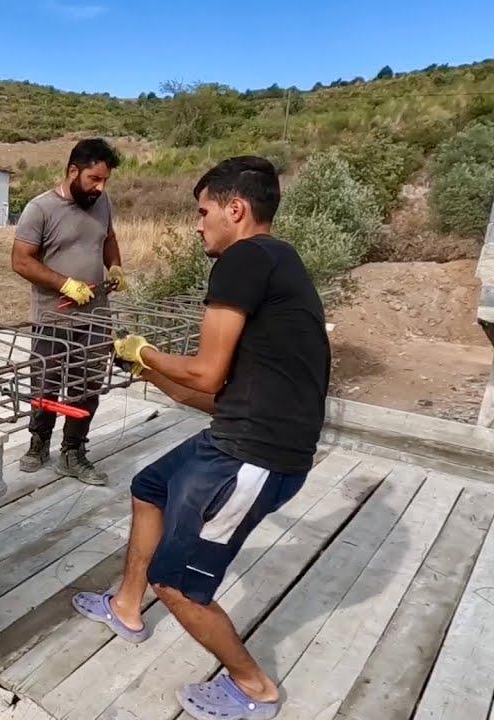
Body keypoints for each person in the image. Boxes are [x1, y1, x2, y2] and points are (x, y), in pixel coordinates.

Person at [72, 156, 330, 720]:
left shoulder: (241, 259)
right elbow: (208, 396)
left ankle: (253, 687)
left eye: (203, 211)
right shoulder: (279, 260)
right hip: (242, 432)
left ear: (235, 210)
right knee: (149, 486)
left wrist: (147, 351)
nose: (198, 224)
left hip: (255, 456)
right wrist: (148, 371)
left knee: (180, 585)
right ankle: (126, 606)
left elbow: (208, 374)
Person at [11, 137, 127, 485]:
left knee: (87, 385)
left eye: (104, 180)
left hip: (95, 317)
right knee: (45, 383)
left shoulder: (102, 202)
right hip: (52, 318)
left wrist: (116, 266)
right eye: (94, 178)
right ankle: (38, 441)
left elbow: (108, 238)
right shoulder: (40, 209)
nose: (99, 187)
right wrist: (63, 284)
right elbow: (20, 260)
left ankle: (73, 451)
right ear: (72, 171)